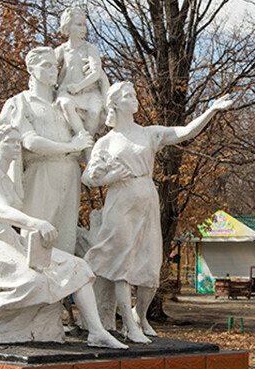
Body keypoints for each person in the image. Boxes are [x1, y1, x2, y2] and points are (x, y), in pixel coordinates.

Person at [0, 124, 126, 350]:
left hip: (9, 238)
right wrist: (37, 223)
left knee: (79, 267)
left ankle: (97, 332)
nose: (16, 146)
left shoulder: (7, 177)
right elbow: (4, 211)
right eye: (10, 142)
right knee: (32, 281)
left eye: (18, 142)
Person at [82, 82, 233, 342]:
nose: (134, 99)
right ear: (115, 103)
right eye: (128, 96)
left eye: (134, 94)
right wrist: (110, 175)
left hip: (147, 200)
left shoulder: (149, 134)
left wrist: (211, 111)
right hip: (121, 203)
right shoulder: (106, 142)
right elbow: (88, 178)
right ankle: (129, 326)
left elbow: (184, 132)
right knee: (122, 265)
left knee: (151, 268)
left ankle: (140, 316)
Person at [0, 46, 93, 255]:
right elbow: (31, 142)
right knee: (37, 236)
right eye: (46, 66)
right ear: (31, 69)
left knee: (66, 237)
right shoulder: (20, 103)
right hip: (41, 172)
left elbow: (87, 132)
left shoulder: (65, 103)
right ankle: (37, 285)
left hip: (69, 172)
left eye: (54, 66)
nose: (53, 70)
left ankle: (64, 288)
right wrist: (71, 146)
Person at [55, 6, 109, 140]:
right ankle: (82, 138)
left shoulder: (90, 49)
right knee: (66, 104)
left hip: (89, 91)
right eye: (78, 25)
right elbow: (48, 66)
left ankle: (88, 145)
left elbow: (96, 73)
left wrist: (79, 86)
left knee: (95, 109)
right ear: (67, 27)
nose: (83, 28)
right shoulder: (62, 50)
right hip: (67, 91)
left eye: (84, 25)